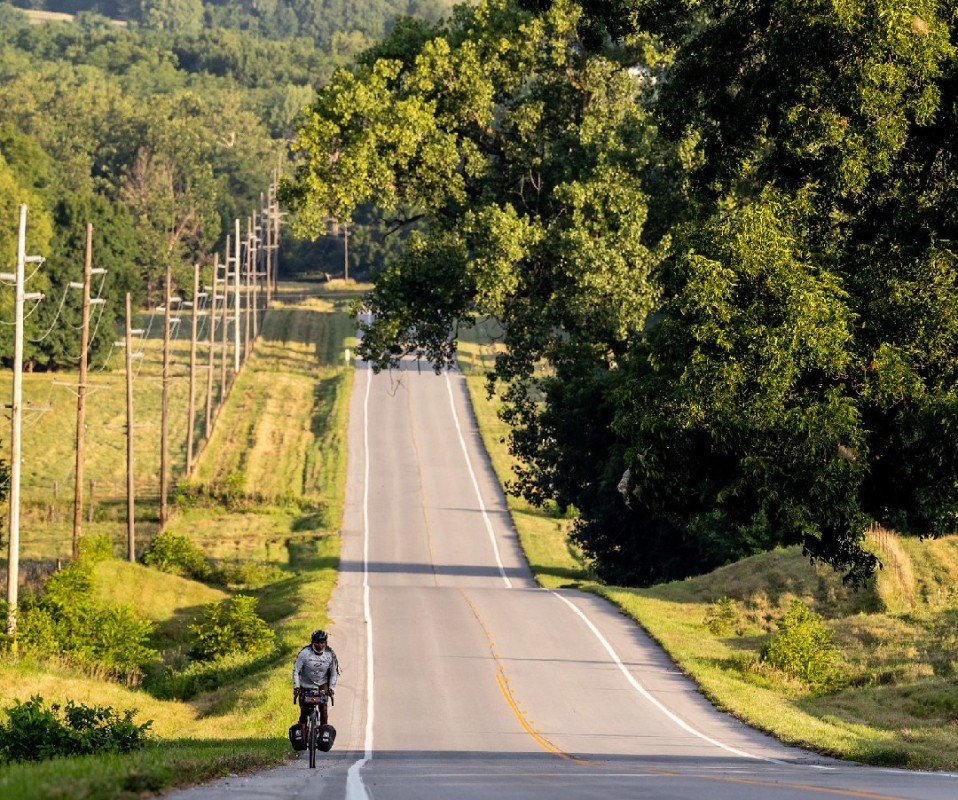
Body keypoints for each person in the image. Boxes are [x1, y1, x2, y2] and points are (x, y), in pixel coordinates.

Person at [293, 629, 339, 733]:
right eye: (317, 643)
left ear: (325, 643)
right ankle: (303, 732)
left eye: (322, 643)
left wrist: (331, 688)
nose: (319, 645)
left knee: (323, 708)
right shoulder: (304, 653)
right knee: (304, 710)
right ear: (312, 642)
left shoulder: (330, 655)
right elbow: (296, 670)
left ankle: (324, 730)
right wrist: (296, 687)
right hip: (306, 685)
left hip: (322, 684)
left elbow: (334, 673)